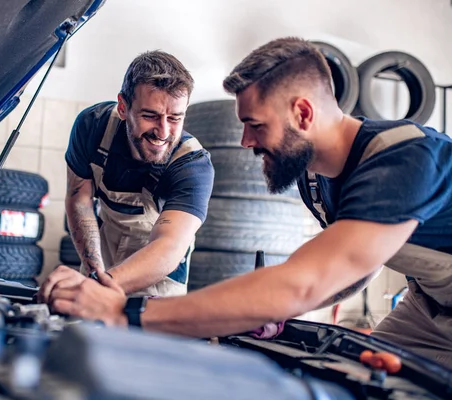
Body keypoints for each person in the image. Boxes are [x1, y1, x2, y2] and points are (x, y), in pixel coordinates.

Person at [41, 37, 452, 369]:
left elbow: (303, 281)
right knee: (360, 379)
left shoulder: (402, 158)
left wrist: (123, 313)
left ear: (303, 113)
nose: (245, 142)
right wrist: (269, 312)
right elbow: (358, 265)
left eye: (256, 126)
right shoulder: (314, 177)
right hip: (427, 305)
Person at [37, 50, 214, 299]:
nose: (163, 131)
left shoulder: (192, 165)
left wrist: (101, 285)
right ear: (123, 107)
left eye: (175, 118)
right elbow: (79, 199)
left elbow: (169, 245)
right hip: (104, 247)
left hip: (160, 266)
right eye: (150, 116)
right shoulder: (93, 127)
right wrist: (94, 271)